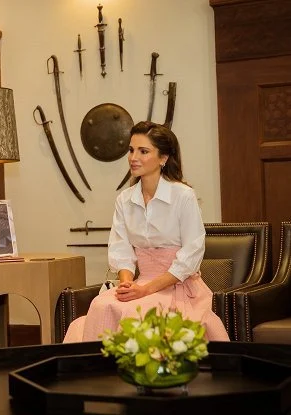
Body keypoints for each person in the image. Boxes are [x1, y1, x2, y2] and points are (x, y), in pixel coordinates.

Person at [63, 121, 229, 343]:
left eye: (143, 151)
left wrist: (146, 290)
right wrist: (126, 284)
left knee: (136, 313)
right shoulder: (124, 200)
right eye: (131, 150)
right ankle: (103, 374)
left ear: (163, 158)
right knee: (100, 304)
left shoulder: (183, 196)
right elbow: (120, 248)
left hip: (177, 286)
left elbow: (192, 253)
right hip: (139, 284)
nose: (133, 157)